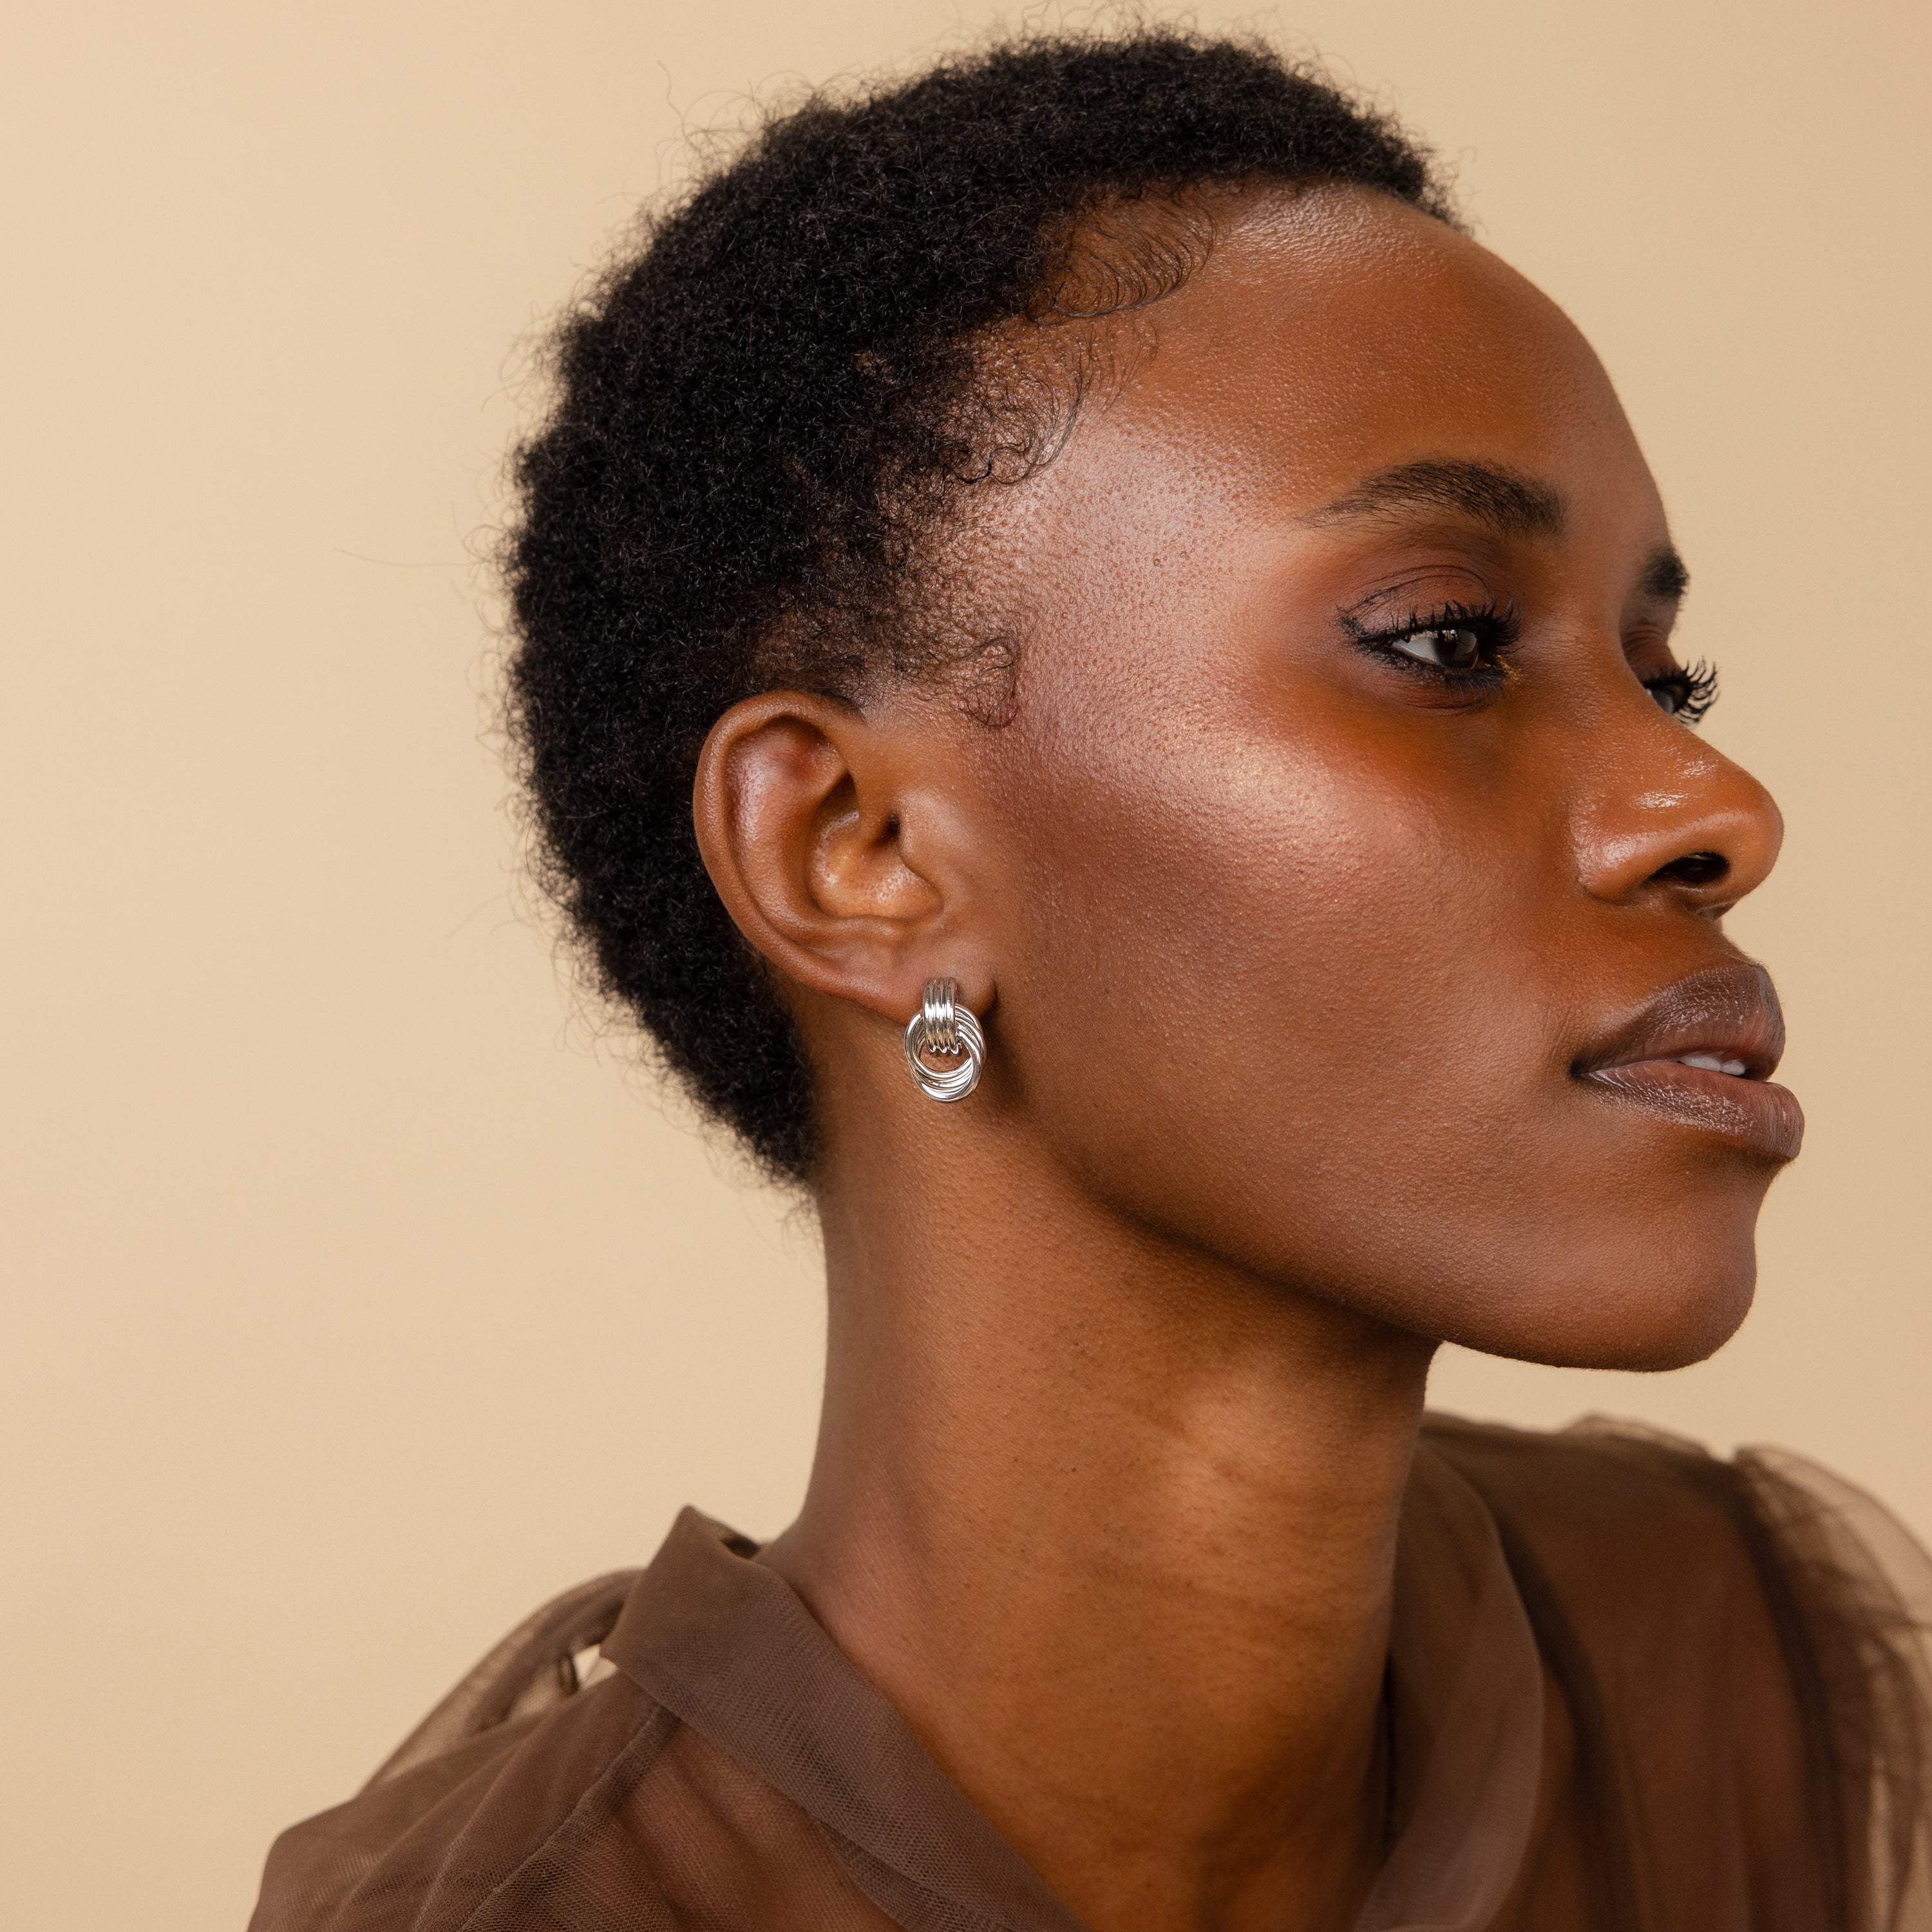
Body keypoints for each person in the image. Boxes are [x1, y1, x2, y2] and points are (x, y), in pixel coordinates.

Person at [248, 28, 1932, 1932]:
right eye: (1452, 639)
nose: (1715, 806)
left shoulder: (1747, 1685)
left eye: (1665, 676)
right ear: (857, 856)